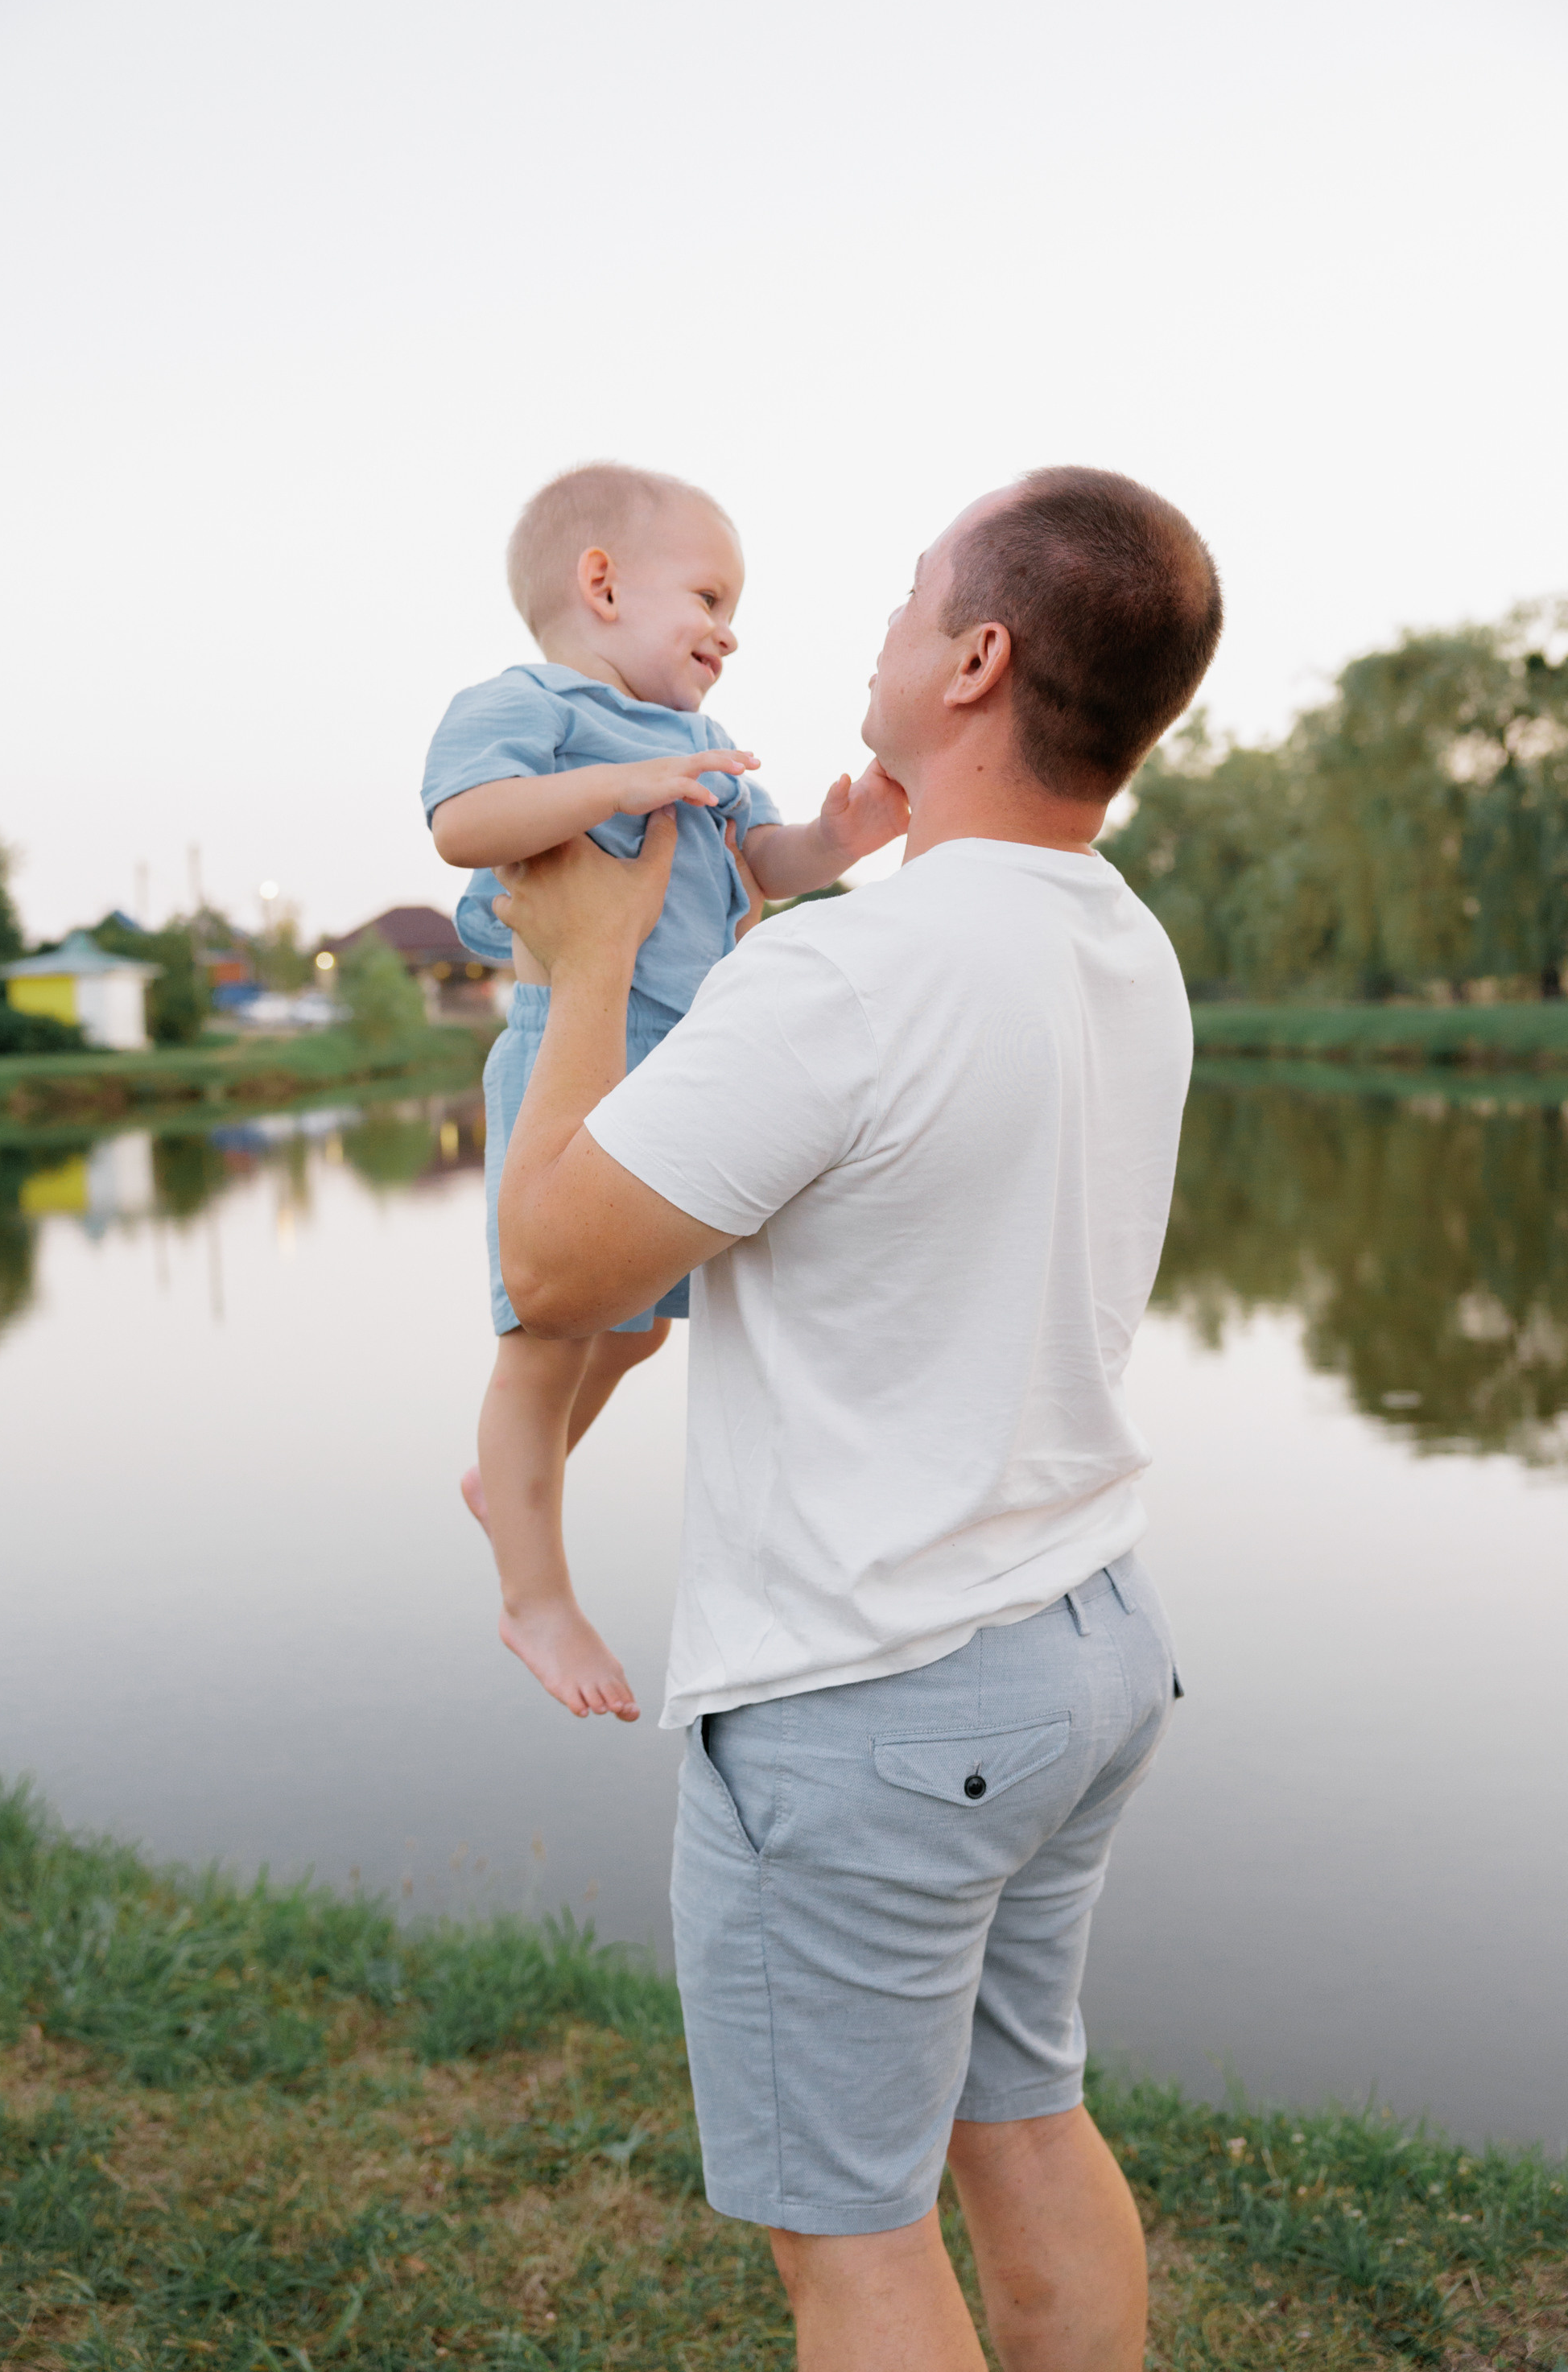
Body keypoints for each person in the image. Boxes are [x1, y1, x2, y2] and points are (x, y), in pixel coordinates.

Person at [489, 464, 1222, 2372]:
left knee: (857, 2251)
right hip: (1082, 1648)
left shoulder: (854, 971)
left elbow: (558, 1263)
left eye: (908, 602)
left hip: (873, 1700)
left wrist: (581, 974)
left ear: (976, 660)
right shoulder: (1120, 943)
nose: (875, 633)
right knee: (1022, 2123)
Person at [421, 463, 908, 1725]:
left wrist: (838, 844)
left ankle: (507, 1478)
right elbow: (465, 827)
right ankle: (536, 1593)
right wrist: (609, 791)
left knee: (634, 1324)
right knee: (546, 1340)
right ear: (600, 584)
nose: (728, 630)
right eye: (708, 594)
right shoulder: (531, 707)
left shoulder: (699, 748)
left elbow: (755, 859)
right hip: (565, 1048)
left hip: (683, 1060)